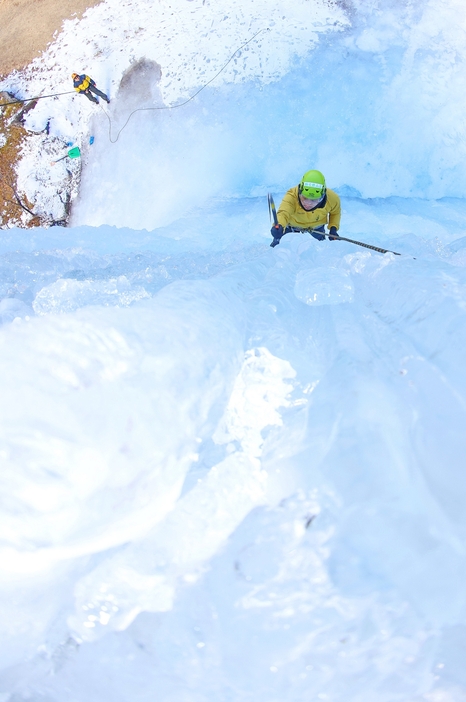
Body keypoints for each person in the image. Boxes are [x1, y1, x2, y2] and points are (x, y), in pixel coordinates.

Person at [270, 169, 341, 247]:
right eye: (304, 198)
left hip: (317, 226)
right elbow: (283, 213)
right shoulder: (291, 196)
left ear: (322, 197)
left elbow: (335, 212)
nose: (308, 203)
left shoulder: (332, 198)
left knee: (321, 247)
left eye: (314, 200)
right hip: (293, 225)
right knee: (278, 244)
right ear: (299, 192)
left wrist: (333, 228)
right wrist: (280, 225)